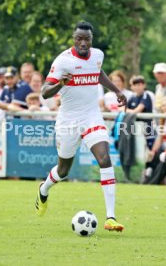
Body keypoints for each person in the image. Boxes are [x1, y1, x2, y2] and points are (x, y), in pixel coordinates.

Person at [35, 21, 127, 232]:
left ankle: (110, 217)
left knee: (105, 158)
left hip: (91, 115)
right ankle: (44, 188)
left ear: (91, 40)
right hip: (68, 120)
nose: (83, 43)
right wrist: (61, 84)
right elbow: (45, 92)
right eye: (79, 39)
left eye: (87, 39)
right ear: (74, 39)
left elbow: (98, 72)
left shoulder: (98, 55)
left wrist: (116, 91)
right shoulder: (63, 61)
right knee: (63, 170)